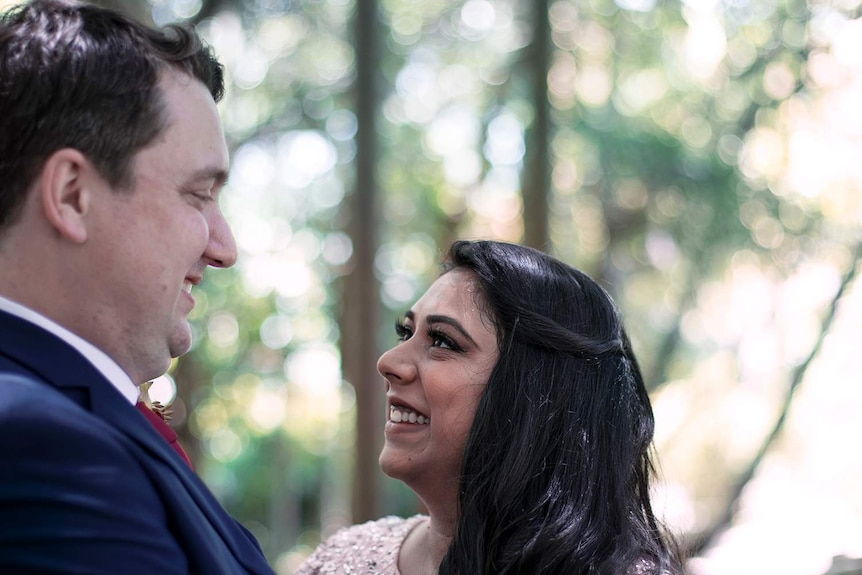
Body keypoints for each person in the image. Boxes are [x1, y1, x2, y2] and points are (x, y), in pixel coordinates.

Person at [0, 1, 275, 573]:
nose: (224, 248)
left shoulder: (83, 423)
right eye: (198, 195)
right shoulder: (39, 444)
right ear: (73, 194)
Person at [298, 240, 684, 575]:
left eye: (443, 341)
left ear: (534, 395)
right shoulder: (341, 558)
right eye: (406, 332)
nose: (389, 362)